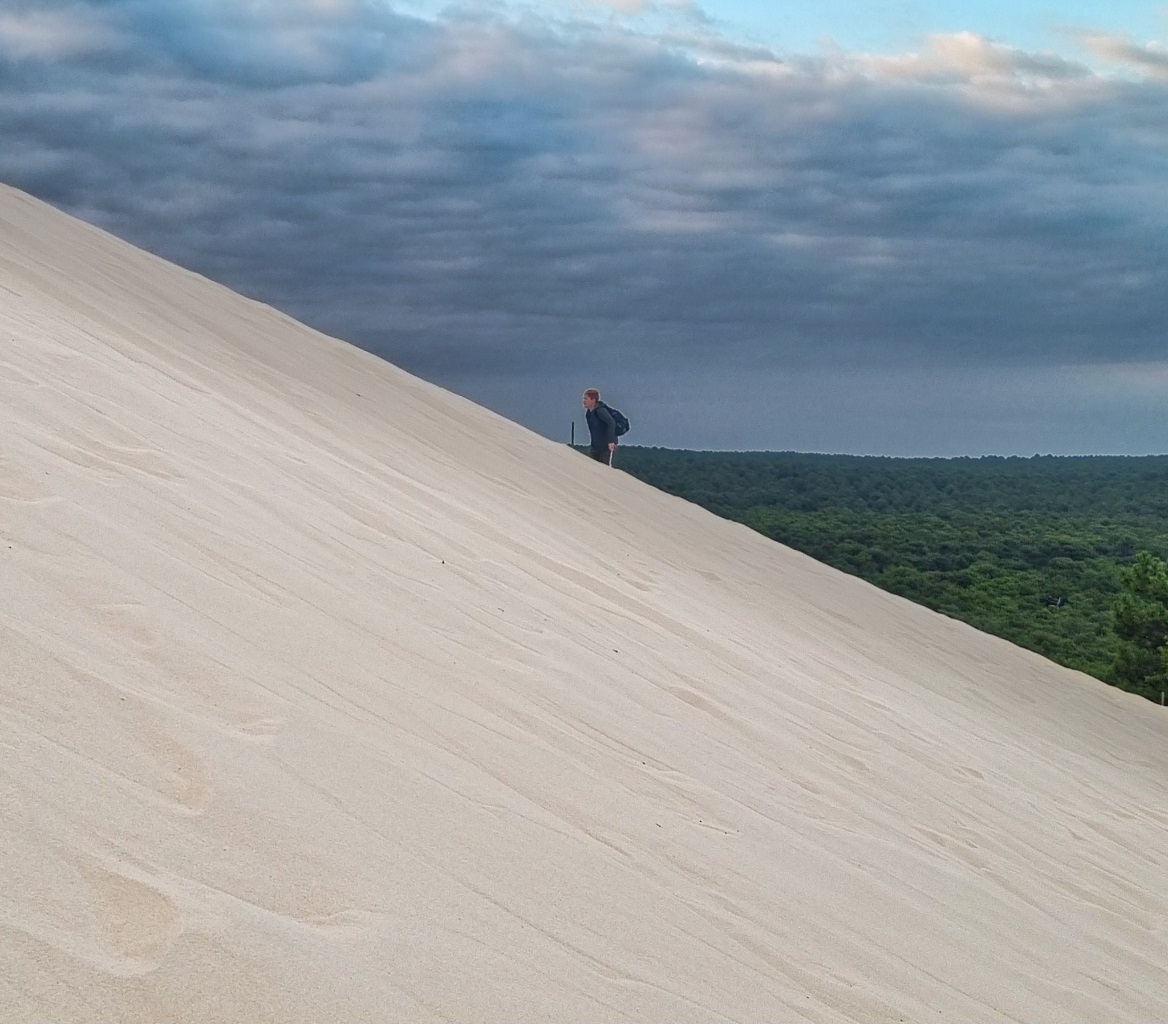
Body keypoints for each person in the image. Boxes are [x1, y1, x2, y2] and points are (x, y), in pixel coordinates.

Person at [582, 388, 616, 465]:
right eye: (584, 398)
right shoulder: (588, 413)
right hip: (595, 446)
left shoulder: (600, 411)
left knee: (603, 468)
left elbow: (611, 423)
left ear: (593, 400)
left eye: (586, 399)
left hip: (605, 447)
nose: (583, 401)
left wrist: (611, 441)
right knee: (591, 466)